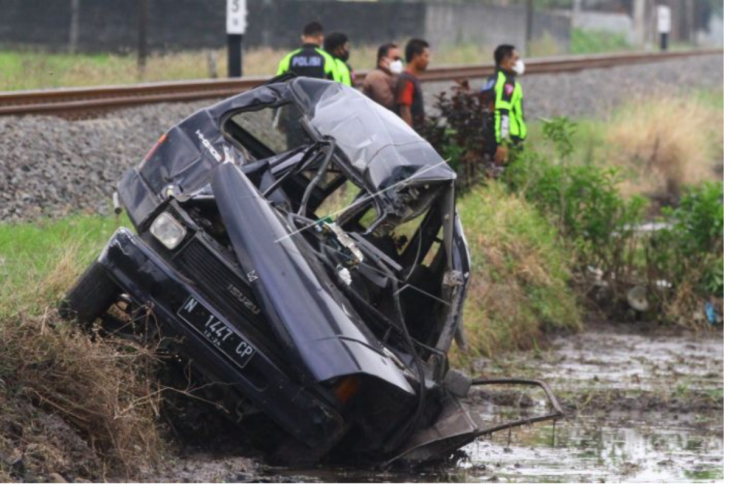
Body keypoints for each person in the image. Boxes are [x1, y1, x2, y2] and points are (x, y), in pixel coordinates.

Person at [481, 44, 527, 166]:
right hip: (507, 140)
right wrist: (503, 143)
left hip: (489, 137)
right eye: (516, 59)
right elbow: (503, 113)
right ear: (506, 60)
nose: (519, 62)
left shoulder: (490, 80)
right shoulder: (507, 82)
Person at [395, 39, 430, 132]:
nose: (428, 60)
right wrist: (411, 135)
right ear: (416, 56)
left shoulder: (412, 78)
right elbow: (404, 110)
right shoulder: (406, 80)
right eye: (425, 56)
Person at [362, 42, 403, 112]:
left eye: (400, 59)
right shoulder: (377, 76)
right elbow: (388, 104)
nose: (398, 62)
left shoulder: (388, 76)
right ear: (383, 60)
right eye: (395, 59)